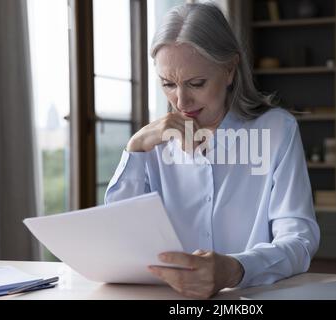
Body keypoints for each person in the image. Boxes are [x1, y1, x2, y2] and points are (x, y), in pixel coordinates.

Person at [105, 3, 320, 299]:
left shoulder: (277, 130)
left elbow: (300, 241)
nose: (180, 101)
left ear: (230, 70)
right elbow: (118, 241)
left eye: (196, 83)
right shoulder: (152, 143)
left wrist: (236, 268)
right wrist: (135, 149)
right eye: (168, 84)